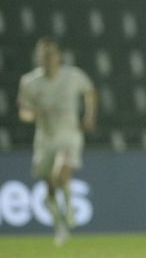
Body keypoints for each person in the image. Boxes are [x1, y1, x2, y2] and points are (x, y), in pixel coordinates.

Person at [17, 37, 97, 246]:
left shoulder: (73, 76)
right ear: (38, 58)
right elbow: (23, 111)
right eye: (44, 55)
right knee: (50, 187)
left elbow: (90, 92)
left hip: (69, 135)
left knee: (60, 174)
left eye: (51, 54)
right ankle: (60, 226)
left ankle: (70, 208)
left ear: (58, 56)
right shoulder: (29, 82)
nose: (48, 59)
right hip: (45, 139)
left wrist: (89, 116)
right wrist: (33, 114)